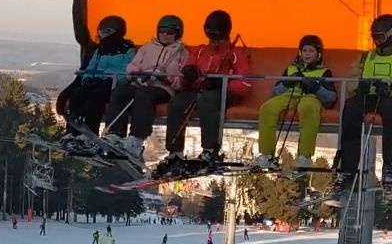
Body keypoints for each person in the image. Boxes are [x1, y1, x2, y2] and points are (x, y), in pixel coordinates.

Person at [330, 14, 392, 198]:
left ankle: (390, 166)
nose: (377, 41)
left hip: (391, 98)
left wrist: (390, 90)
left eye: (381, 37)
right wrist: (359, 87)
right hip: (367, 95)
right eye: (375, 36)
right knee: (351, 110)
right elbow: (353, 79)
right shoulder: (365, 57)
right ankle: (348, 168)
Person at [161, 10, 252, 168]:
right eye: (210, 36)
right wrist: (188, 75)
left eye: (217, 36)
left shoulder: (235, 53)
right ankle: (175, 152)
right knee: (177, 102)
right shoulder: (201, 51)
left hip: (223, 93)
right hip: (200, 89)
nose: (213, 40)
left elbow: (245, 84)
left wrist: (221, 83)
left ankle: (210, 150)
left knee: (207, 101)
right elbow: (185, 79)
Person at [100, 14, 189, 159]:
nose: (165, 35)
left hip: (163, 88)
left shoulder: (181, 53)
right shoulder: (147, 47)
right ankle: (115, 134)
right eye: (162, 31)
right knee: (121, 91)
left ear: (177, 34)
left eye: (170, 32)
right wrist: (135, 75)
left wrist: (167, 78)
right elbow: (133, 65)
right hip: (140, 82)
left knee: (144, 94)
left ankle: (136, 139)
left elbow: (181, 80)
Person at [255, 35, 338, 170]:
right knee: (267, 107)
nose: (307, 54)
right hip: (289, 95)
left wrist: (316, 88)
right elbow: (275, 92)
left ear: (318, 54)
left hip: (310, 97)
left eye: (311, 51)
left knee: (307, 107)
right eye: (304, 50)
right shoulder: (291, 69)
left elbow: (331, 98)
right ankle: (266, 154)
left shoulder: (324, 72)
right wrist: (287, 83)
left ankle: (304, 156)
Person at [56, 16, 136, 135]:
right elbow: (90, 67)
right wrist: (87, 78)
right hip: (95, 82)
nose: (102, 36)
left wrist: (114, 80)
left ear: (117, 32)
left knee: (95, 98)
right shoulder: (99, 50)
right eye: (100, 32)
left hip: (112, 85)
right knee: (77, 94)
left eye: (106, 32)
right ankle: (73, 132)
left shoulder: (127, 50)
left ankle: (90, 132)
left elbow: (127, 71)